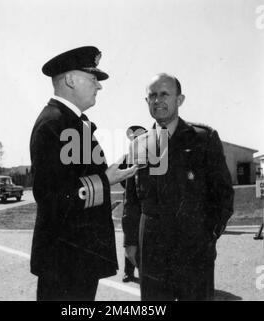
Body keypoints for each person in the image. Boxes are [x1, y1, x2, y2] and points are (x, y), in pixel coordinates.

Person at [30, 46, 137, 301]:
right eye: (93, 78)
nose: (99, 87)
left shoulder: (69, 121)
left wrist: (114, 170)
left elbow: (76, 178)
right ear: (69, 80)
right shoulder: (53, 123)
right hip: (64, 261)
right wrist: (106, 179)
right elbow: (50, 196)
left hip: (75, 258)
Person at [122, 73, 234, 301]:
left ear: (179, 100)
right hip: (151, 252)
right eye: (152, 95)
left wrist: (210, 235)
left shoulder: (203, 138)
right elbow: (131, 199)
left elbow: (223, 193)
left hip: (194, 250)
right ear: (146, 102)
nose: (157, 100)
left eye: (165, 94)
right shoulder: (138, 144)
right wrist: (131, 241)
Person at [121, 126, 146, 283]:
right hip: (132, 205)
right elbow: (124, 180)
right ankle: (128, 272)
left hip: (146, 206)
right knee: (130, 240)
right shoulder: (126, 158)